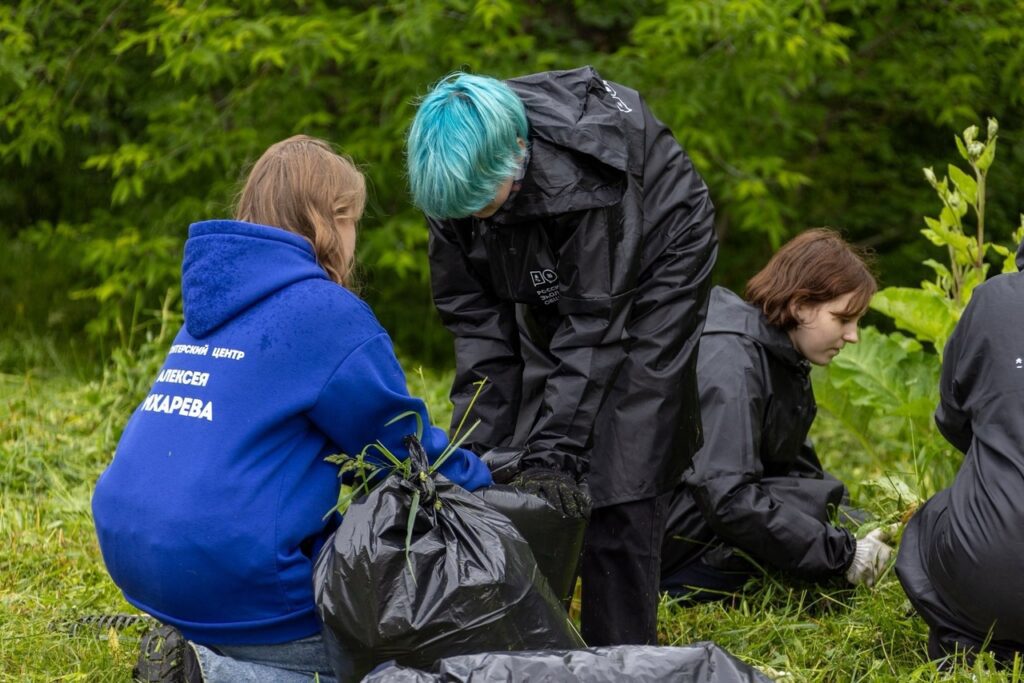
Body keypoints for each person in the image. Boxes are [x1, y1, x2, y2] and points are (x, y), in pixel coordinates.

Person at [91, 135, 492, 683]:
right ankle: (212, 674)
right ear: (332, 219)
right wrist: (485, 477)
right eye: (354, 221)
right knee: (379, 663)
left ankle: (194, 647)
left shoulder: (214, 303)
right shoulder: (326, 313)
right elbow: (401, 451)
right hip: (234, 576)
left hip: (137, 556)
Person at [406, 66, 718, 646]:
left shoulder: (585, 177)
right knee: (521, 438)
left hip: (657, 254)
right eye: (464, 212)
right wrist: (471, 455)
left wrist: (557, 453)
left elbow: (595, 322)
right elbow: (479, 330)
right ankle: (528, 631)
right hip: (556, 244)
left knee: (628, 445)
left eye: (483, 205)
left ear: (517, 156)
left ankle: (620, 649)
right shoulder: (452, 182)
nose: (474, 219)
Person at [660, 229, 893, 602]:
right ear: (801, 306)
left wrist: (863, 524)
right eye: (842, 319)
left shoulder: (781, 357)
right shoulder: (733, 365)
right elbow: (726, 495)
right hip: (668, 541)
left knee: (813, 503)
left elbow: (799, 475)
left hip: (702, 518)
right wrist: (842, 554)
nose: (853, 337)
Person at [896, 237, 1024, 663]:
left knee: (928, 523)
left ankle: (969, 643)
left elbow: (952, 416)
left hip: (994, 567)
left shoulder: (993, 300)